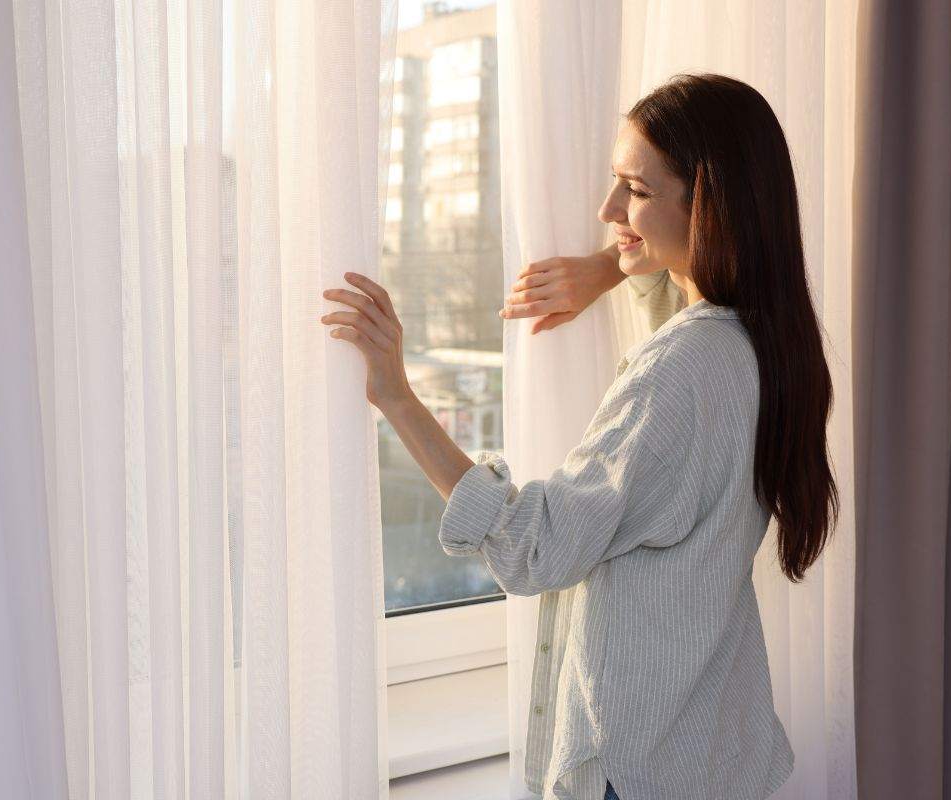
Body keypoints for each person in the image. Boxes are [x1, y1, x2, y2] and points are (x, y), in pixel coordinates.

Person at [319, 72, 839, 799]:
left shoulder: (680, 369)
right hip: (717, 744)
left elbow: (536, 546)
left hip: (639, 767)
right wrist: (615, 260)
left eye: (636, 190)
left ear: (711, 205)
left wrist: (398, 397)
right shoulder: (766, 342)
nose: (607, 209)